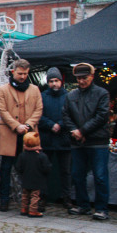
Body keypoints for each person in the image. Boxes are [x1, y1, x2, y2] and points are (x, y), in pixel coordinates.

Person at [60, 62, 111, 221]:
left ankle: (101, 208)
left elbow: (101, 116)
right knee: (77, 175)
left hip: (97, 141)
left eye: (84, 78)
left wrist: (82, 131)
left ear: (92, 77)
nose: (81, 81)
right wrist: (75, 131)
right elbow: (66, 116)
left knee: (100, 176)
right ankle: (83, 204)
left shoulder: (102, 94)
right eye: (79, 78)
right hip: (78, 142)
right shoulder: (71, 95)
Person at [0, 59, 43, 212]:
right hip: (10, 134)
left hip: (28, 135)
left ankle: (28, 202)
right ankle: (4, 200)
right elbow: (2, 111)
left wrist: (28, 125)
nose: (22, 77)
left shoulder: (34, 89)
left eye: (25, 74)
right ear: (13, 72)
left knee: (29, 169)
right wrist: (16, 126)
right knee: (6, 169)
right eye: (20, 73)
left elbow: (39, 109)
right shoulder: (3, 89)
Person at [38, 67, 73, 209]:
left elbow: (72, 115)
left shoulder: (69, 96)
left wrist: (60, 124)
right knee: (44, 170)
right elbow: (37, 115)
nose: (54, 84)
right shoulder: (42, 96)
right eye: (51, 81)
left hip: (64, 139)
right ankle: (43, 197)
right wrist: (50, 124)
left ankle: (67, 197)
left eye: (56, 81)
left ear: (61, 81)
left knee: (66, 171)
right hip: (47, 139)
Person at [15, 131, 51, 218]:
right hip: (37, 179)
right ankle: (33, 210)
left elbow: (18, 167)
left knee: (25, 194)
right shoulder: (41, 156)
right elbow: (46, 167)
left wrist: (21, 173)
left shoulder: (22, 155)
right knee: (35, 195)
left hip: (25, 178)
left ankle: (24, 208)